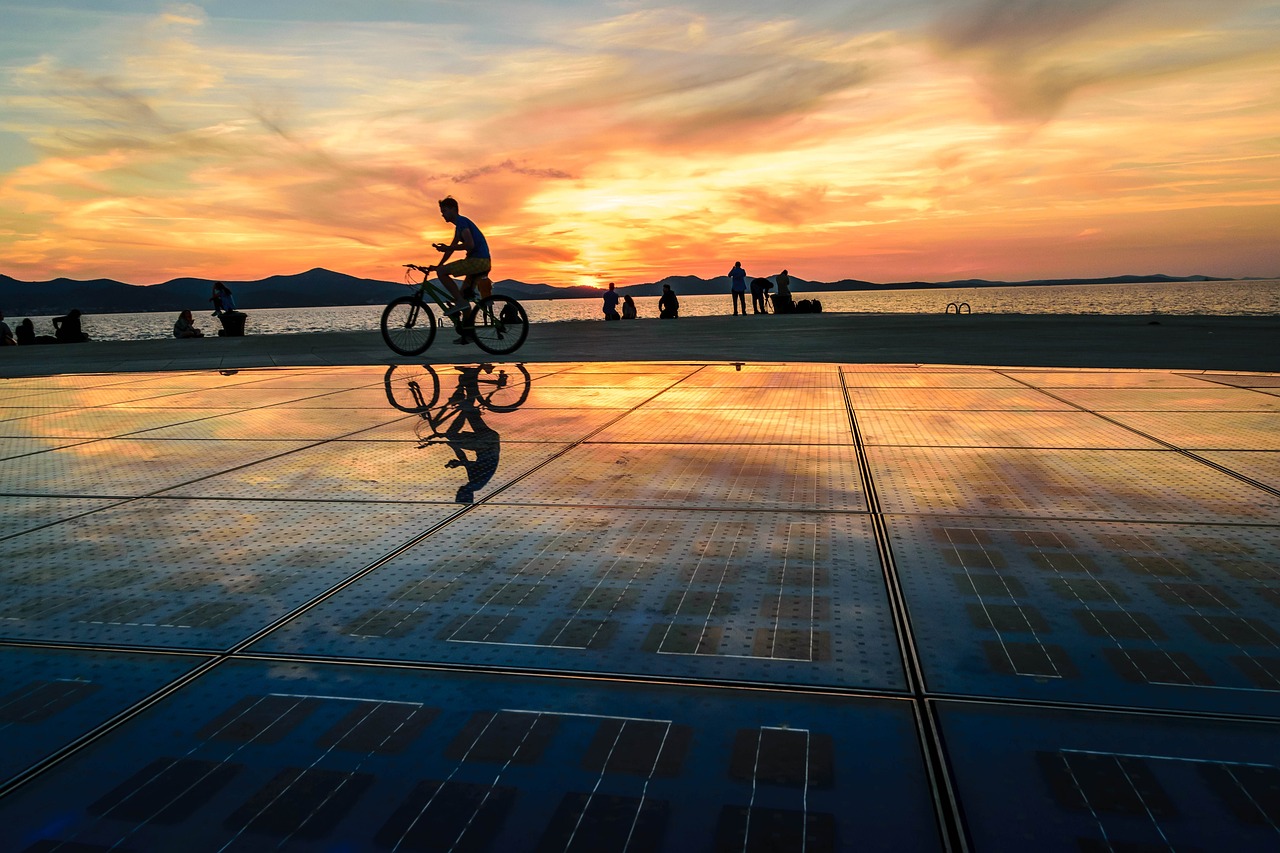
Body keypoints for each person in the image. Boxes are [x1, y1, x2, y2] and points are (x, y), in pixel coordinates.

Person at [424, 195, 491, 316]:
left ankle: (460, 302)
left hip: (478, 261)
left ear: (453, 209)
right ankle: (468, 333)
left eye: (444, 211)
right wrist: (438, 265)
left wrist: (445, 255)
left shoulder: (461, 222)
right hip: (482, 262)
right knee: (463, 298)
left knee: (442, 273)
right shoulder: (459, 226)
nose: (442, 214)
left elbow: (470, 244)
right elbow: (450, 250)